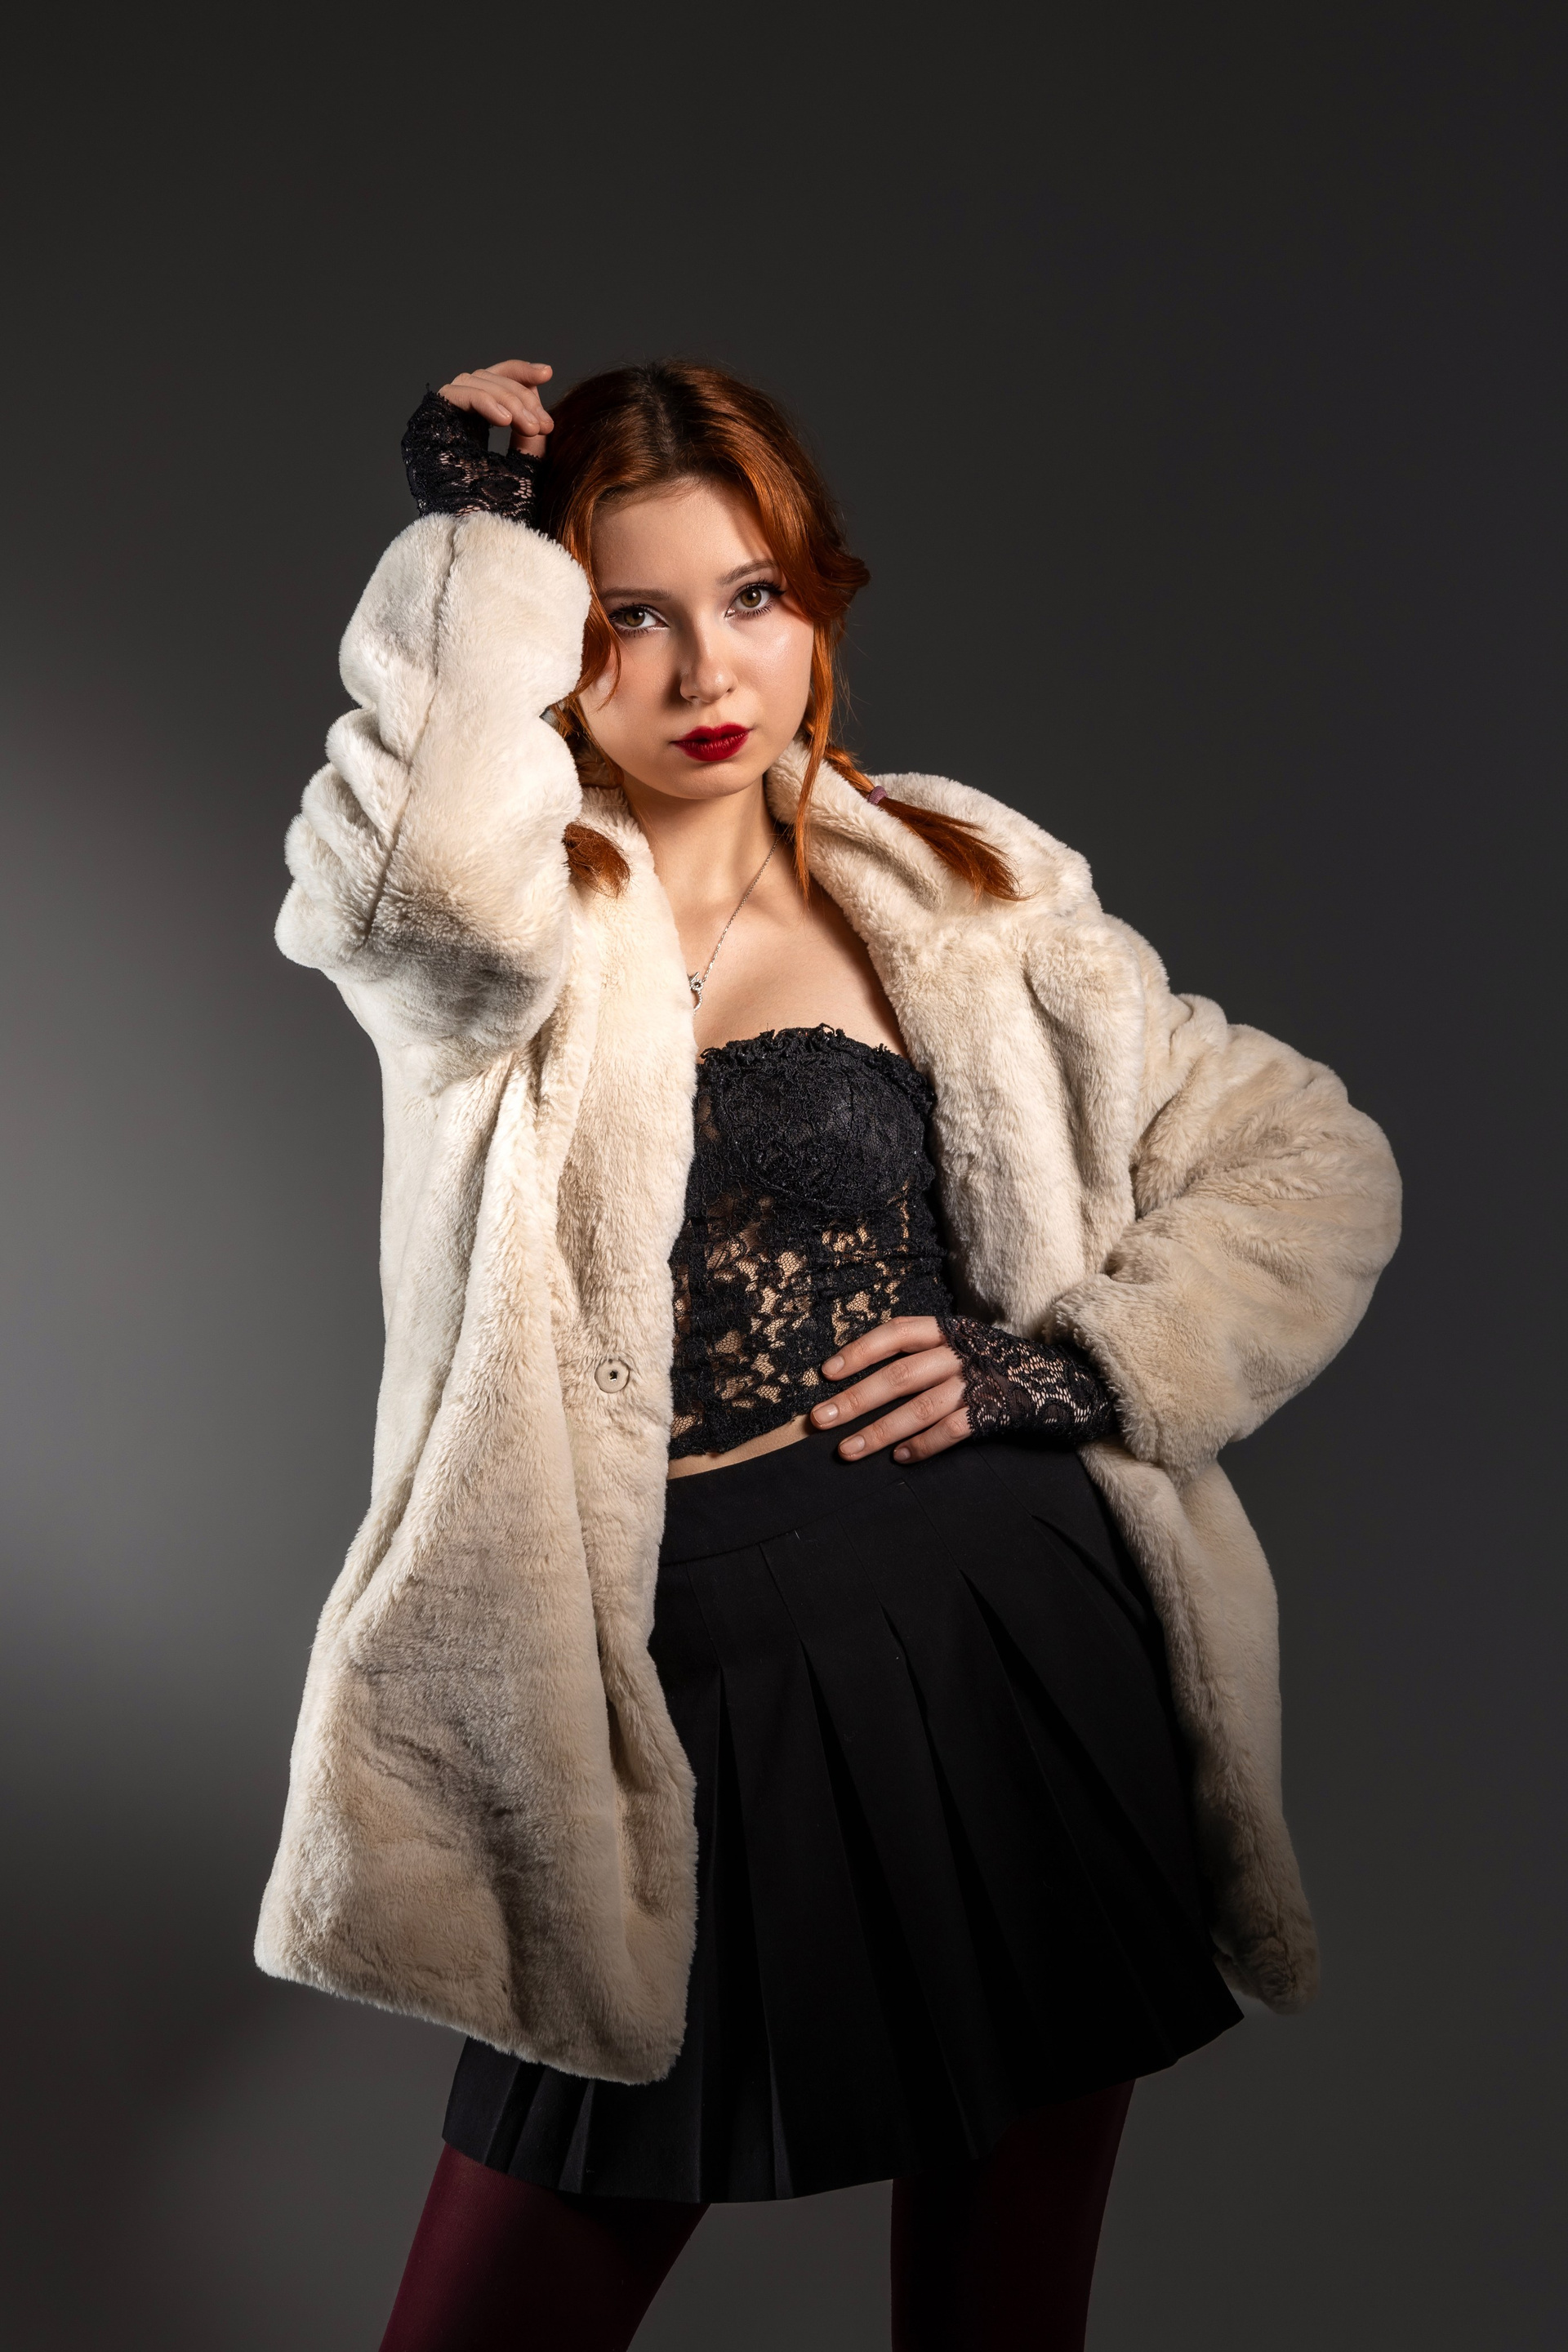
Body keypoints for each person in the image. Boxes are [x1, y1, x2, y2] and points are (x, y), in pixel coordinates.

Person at [256, 356, 1401, 2350]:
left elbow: (1310, 1158)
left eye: (754, 596)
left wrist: (1082, 1365)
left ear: (817, 604)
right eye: (630, 614)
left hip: (1012, 1649)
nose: (711, 669)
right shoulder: (514, 925)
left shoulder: (963, 886)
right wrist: (471, 545)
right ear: (558, 644)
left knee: (997, 2320)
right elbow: (408, 883)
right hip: (665, 1708)